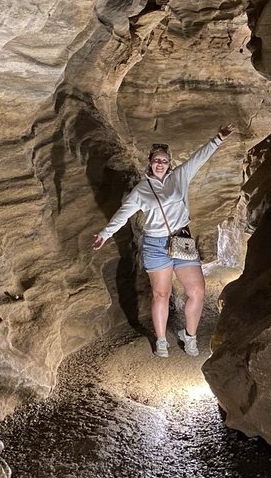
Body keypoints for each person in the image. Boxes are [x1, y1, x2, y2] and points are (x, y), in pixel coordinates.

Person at [92, 124, 235, 358]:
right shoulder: (141, 190)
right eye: (157, 160)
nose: (160, 163)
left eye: (164, 160)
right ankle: (160, 341)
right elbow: (123, 214)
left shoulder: (179, 177)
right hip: (155, 245)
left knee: (197, 291)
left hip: (181, 240)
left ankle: (189, 336)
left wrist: (218, 138)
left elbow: (199, 158)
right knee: (161, 294)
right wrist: (104, 234)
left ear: (169, 163)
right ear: (150, 162)